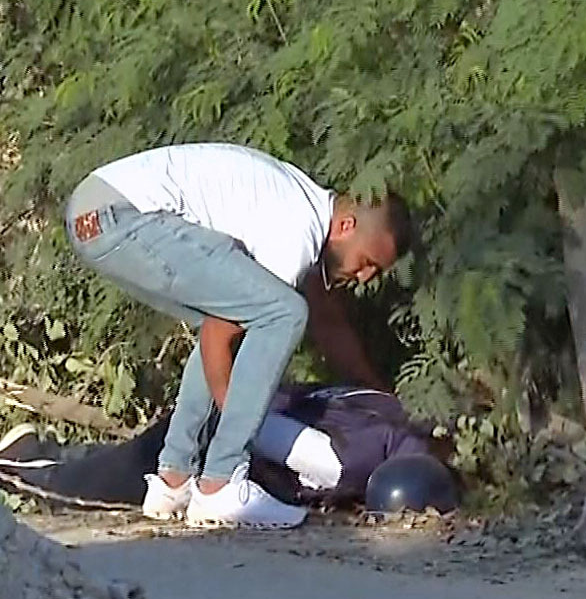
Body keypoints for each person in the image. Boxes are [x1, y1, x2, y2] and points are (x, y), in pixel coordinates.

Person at [64, 143, 412, 528]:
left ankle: (173, 480)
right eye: (367, 263)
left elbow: (224, 327)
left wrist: (376, 390)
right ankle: (221, 484)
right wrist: (237, 416)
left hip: (95, 214)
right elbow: (221, 337)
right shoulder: (297, 231)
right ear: (346, 226)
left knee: (244, 314)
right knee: (284, 312)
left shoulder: (301, 203)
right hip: (122, 215)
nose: (364, 278)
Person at [0, 383, 449, 512]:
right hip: (204, 444)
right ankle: (20, 464)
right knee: (72, 490)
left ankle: (45, 448)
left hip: (228, 407)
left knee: (111, 461)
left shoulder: (389, 409)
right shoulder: (341, 465)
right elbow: (246, 427)